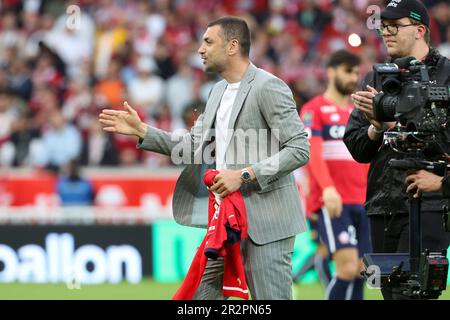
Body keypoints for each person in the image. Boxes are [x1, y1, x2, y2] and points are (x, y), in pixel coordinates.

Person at [99, 16, 310, 300]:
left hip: (266, 222)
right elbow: (193, 146)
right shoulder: (217, 91)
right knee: (199, 298)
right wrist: (144, 132)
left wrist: (244, 174)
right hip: (226, 220)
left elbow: (299, 148)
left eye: (209, 41)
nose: (200, 49)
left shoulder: (268, 87)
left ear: (233, 46)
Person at [343, 0, 450, 300]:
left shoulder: (447, 75)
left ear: (419, 30)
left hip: (430, 203)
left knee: (413, 296)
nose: (386, 33)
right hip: (382, 206)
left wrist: (442, 182)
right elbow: (357, 147)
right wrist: (377, 127)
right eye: (384, 28)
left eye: (394, 27)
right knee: (391, 295)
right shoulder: (376, 76)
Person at [300, 49, 371, 300]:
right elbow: (313, 155)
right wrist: (328, 189)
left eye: (356, 72)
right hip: (335, 202)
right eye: (347, 71)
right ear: (331, 71)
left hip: (363, 200)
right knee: (347, 267)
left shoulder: (360, 112)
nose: (353, 78)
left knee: (362, 270)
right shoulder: (314, 109)